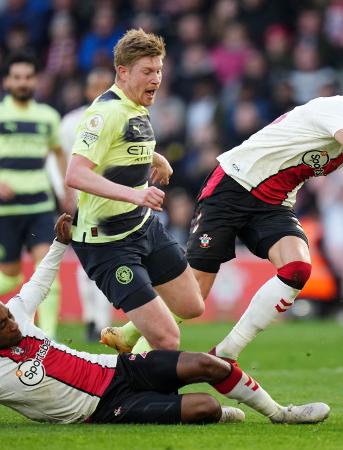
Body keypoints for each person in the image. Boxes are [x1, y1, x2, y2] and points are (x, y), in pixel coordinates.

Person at [103, 76, 343, 363]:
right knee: (193, 299)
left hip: (273, 204)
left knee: (298, 270)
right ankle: (134, 349)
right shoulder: (338, 110)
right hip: (233, 186)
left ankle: (226, 353)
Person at [0, 213, 330, 425]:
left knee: (208, 364)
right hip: (102, 410)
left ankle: (279, 414)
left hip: (117, 368)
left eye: (7, 316)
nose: (12, 322)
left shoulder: (16, 312)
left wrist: (60, 241)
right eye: (3, 325)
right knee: (208, 409)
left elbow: (39, 282)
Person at [65, 29, 204, 352]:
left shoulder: (136, 104)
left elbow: (124, 145)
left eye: (158, 70)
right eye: (147, 72)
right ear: (123, 72)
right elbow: (76, 174)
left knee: (192, 305)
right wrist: (135, 194)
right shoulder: (105, 113)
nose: (156, 79)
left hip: (141, 226)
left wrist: (157, 159)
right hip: (107, 243)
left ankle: (126, 337)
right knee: (167, 338)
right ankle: (147, 400)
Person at [0, 51, 72, 339]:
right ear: (7, 80)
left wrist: (66, 191)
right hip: (5, 210)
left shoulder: (48, 117)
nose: (22, 82)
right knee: (11, 275)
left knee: (48, 271)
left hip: (40, 206)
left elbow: (58, 153)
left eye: (28, 77)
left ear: (36, 80)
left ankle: (48, 338)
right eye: (17, 77)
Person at [48, 68, 116, 342]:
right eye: (95, 86)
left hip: (112, 200)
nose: (100, 91)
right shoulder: (70, 123)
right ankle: (93, 319)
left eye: (105, 86)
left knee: (108, 258)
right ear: (87, 91)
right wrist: (64, 194)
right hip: (80, 201)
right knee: (87, 259)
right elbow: (57, 161)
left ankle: (102, 321)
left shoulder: (119, 119)